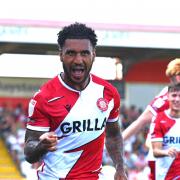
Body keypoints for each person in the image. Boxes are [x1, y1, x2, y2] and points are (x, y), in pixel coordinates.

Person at [24, 22, 127, 180]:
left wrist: (120, 167)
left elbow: (113, 135)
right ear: (61, 55)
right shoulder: (44, 97)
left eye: (84, 53)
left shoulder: (108, 93)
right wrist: (41, 146)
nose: (78, 60)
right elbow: (29, 153)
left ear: (94, 54)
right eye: (71, 53)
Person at [122, 58, 180, 179]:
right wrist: (115, 143)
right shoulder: (167, 97)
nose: (172, 83)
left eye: (173, 79)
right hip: (165, 160)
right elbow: (141, 121)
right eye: (171, 79)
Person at [151, 82, 180, 180]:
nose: (177, 99)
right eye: (174, 95)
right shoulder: (159, 119)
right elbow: (155, 151)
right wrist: (167, 152)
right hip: (165, 175)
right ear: (168, 97)